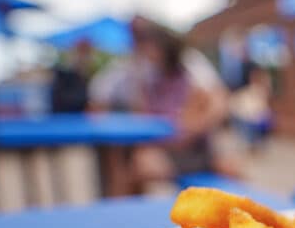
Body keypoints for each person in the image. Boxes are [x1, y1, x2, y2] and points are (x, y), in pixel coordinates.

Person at [90, 16, 235, 193]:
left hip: (192, 150)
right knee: (132, 166)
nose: (142, 44)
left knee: (139, 166)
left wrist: (191, 127)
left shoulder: (190, 66)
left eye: (144, 37)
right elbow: (104, 92)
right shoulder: (139, 69)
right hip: (166, 147)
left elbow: (216, 101)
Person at [49, 39, 94, 113]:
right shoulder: (60, 74)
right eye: (80, 52)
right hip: (60, 120)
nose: (82, 58)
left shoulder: (87, 78)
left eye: (87, 53)